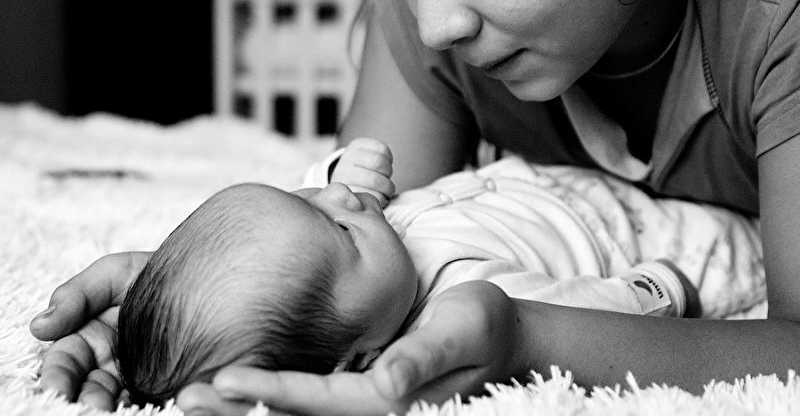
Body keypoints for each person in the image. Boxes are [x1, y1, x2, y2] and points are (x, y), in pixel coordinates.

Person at [29, 0, 800, 413]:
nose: (433, 26)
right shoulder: (429, 16)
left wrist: (525, 337)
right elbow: (372, 250)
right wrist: (201, 305)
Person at [117, 147, 759, 406]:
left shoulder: (370, 260)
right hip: (656, 234)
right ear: (357, 359)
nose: (337, 198)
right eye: (338, 227)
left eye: (303, 198)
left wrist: (338, 171)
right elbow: (590, 310)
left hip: (577, 178)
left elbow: (317, 206)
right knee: (743, 247)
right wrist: (660, 288)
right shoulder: (461, 305)